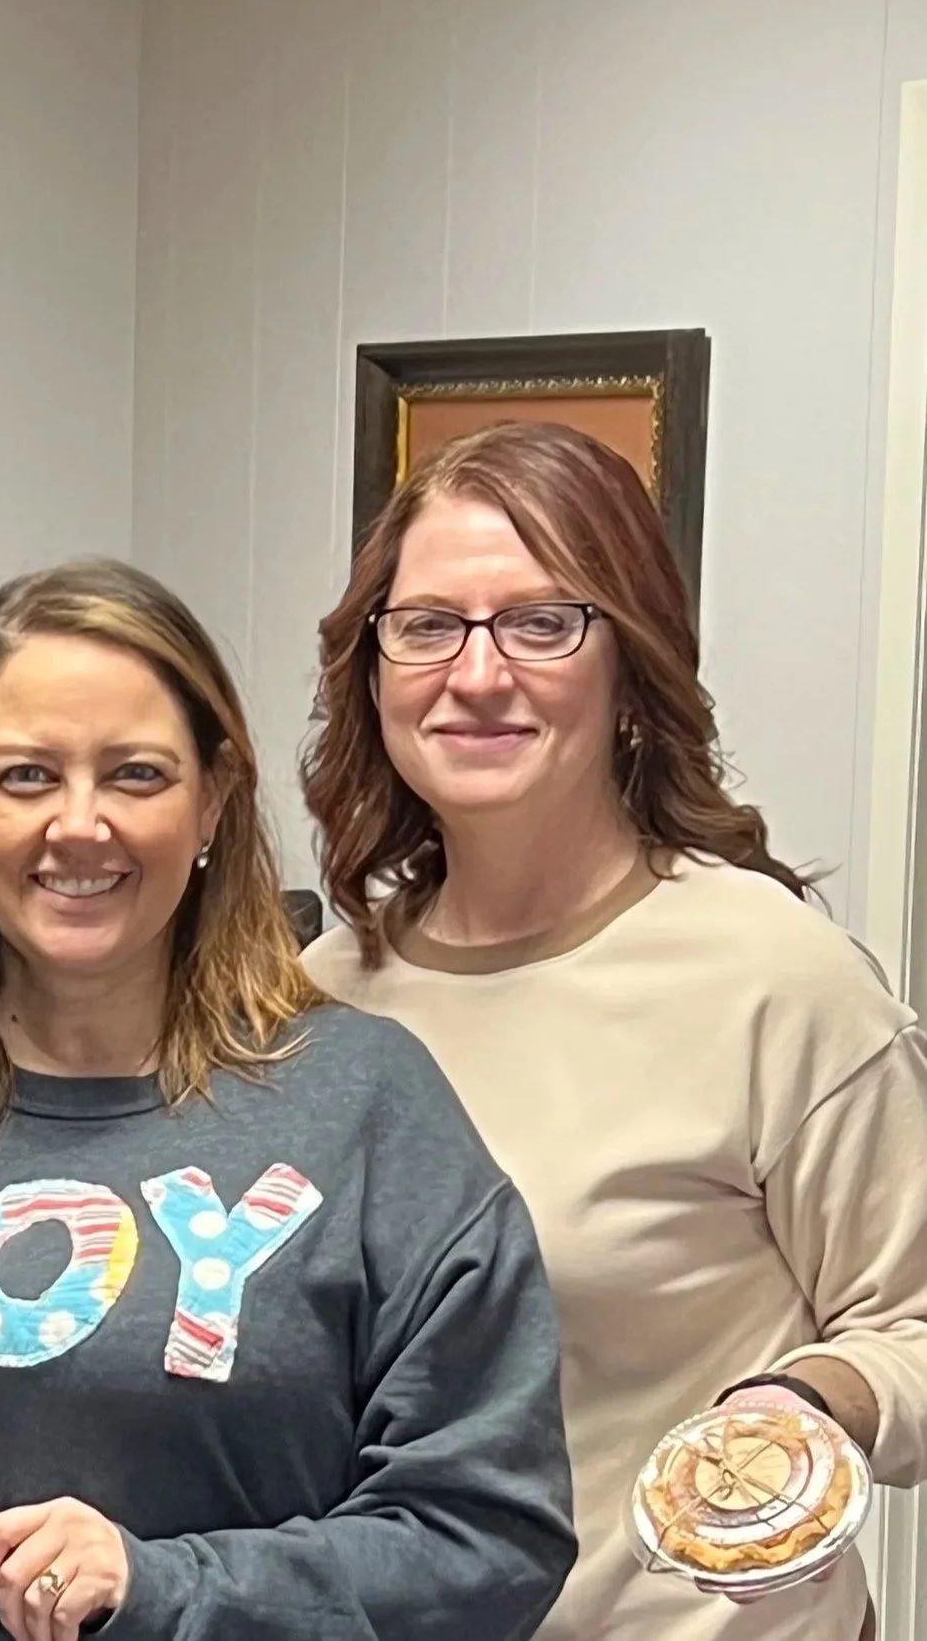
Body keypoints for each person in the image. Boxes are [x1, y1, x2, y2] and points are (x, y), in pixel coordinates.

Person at [0, 560, 576, 1641]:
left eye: (134, 775)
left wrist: (162, 1586)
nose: (78, 825)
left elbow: (490, 1541)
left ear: (213, 798)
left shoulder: (366, 1104)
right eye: (25, 776)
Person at [301, 420, 927, 1641]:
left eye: (542, 623)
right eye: (428, 625)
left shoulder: (774, 979)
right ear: (370, 668)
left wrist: (808, 1400)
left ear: (628, 665)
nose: (477, 675)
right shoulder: (317, 1005)